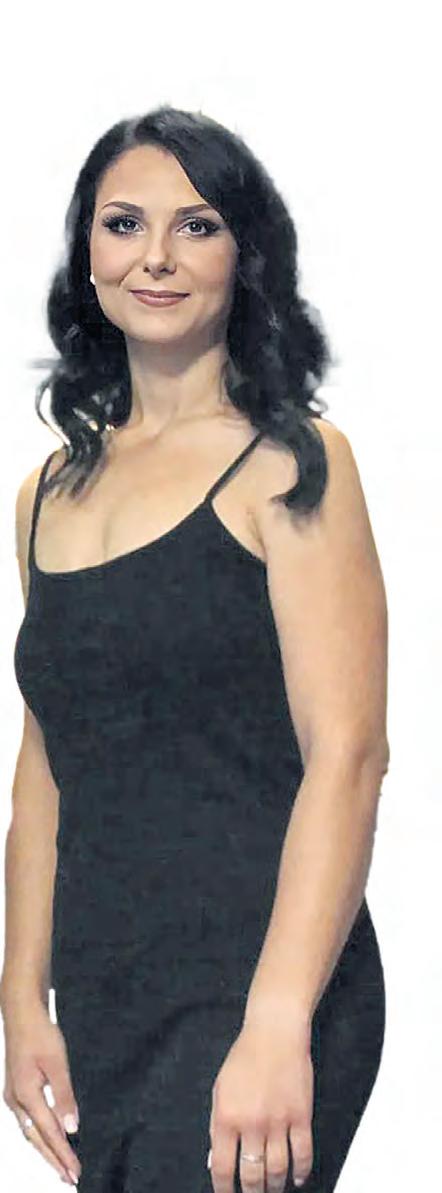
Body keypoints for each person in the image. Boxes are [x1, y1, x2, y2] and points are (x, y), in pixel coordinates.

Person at [0, 105, 389, 1193]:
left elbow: (350, 754)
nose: (157, 256)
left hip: (260, 980)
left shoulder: (291, 464)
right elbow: (47, 768)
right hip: (108, 993)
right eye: (125, 223)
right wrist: (21, 995)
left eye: (198, 224)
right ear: (87, 252)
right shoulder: (44, 495)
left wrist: (278, 1020)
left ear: (244, 254)